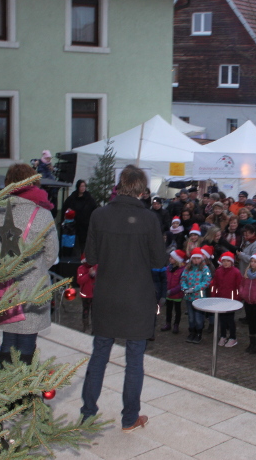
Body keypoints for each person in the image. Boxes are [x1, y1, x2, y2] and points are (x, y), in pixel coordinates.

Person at [80, 165, 165, 432]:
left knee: (100, 354)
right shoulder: (150, 219)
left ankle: (87, 414)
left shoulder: (99, 215)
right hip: (138, 298)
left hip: (107, 295)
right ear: (141, 190)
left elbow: (91, 258)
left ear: (119, 186)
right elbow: (160, 260)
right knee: (134, 360)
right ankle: (130, 418)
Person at [0, 163, 58, 366]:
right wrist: (34, 268)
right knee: (27, 346)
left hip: (5, 286)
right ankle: (23, 392)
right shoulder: (42, 214)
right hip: (32, 288)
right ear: (33, 182)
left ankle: (6, 390)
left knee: (8, 342)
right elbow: (52, 254)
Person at [210, 252, 242, 347]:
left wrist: (237, 299)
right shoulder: (218, 271)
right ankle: (223, 335)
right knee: (222, 319)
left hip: (231, 300)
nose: (225, 263)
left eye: (228, 261)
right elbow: (214, 284)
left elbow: (239, 287)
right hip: (220, 299)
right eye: (224, 261)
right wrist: (213, 296)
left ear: (232, 262)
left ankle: (233, 337)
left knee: (230, 319)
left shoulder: (236, 272)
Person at [181, 248, 212, 344]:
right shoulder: (187, 268)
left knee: (198, 318)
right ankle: (192, 332)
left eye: (198, 258)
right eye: (194, 258)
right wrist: (185, 288)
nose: (196, 261)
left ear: (201, 259)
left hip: (200, 298)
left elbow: (206, 281)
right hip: (189, 298)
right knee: (191, 317)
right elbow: (183, 279)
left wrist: (194, 289)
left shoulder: (205, 269)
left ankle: (199, 333)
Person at [62, 180, 98, 256]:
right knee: (73, 245)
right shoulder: (72, 198)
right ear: (78, 187)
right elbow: (65, 209)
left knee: (83, 245)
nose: (83, 188)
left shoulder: (89, 199)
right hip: (72, 227)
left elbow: (94, 210)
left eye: (84, 186)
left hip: (85, 227)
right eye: (81, 186)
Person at [161, 249, 185, 334]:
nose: (170, 259)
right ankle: (168, 323)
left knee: (177, 310)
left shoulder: (182, 270)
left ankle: (176, 324)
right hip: (169, 294)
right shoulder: (168, 268)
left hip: (177, 294)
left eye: (172, 257)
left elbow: (181, 284)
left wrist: (171, 291)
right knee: (168, 310)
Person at [77, 254, 97, 333]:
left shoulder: (97, 267)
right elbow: (79, 281)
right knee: (85, 310)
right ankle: (86, 326)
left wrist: (94, 275)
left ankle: (94, 329)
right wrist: (89, 275)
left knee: (94, 312)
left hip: (95, 294)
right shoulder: (81, 269)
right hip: (85, 295)